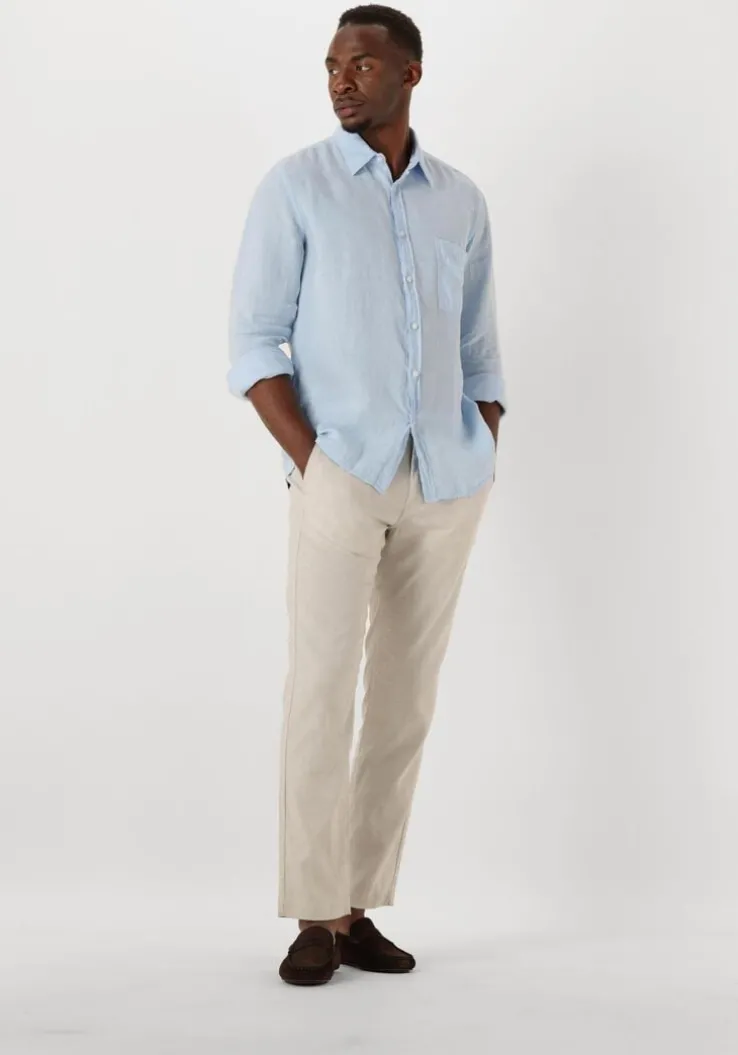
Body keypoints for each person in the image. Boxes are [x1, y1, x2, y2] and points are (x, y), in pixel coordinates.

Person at [227, 4, 507, 986]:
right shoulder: (295, 186)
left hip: (445, 480)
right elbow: (254, 344)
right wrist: (318, 462)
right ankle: (313, 911)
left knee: (402, 702)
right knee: (319, 691)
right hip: (341, 476)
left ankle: (356, 906)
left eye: (363, 64)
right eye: (332, 65)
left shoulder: (460, 200)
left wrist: (484, 432)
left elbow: (480, 343)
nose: (342, 80)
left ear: (410, 74)